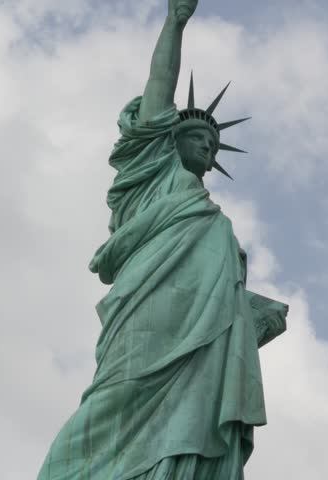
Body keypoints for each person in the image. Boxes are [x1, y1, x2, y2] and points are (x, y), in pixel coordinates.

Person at [37, 1, 285, 478]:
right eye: (197, 137)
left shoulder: (212, 217)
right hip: (146, 311)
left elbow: (216, 285)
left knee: (191, 419)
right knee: (113, 398)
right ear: (169, 140)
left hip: (205, 332)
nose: (207, 147)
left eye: (212, 147)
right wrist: (176, 21)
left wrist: (250, 313)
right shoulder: (154, 177)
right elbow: (158, 86)